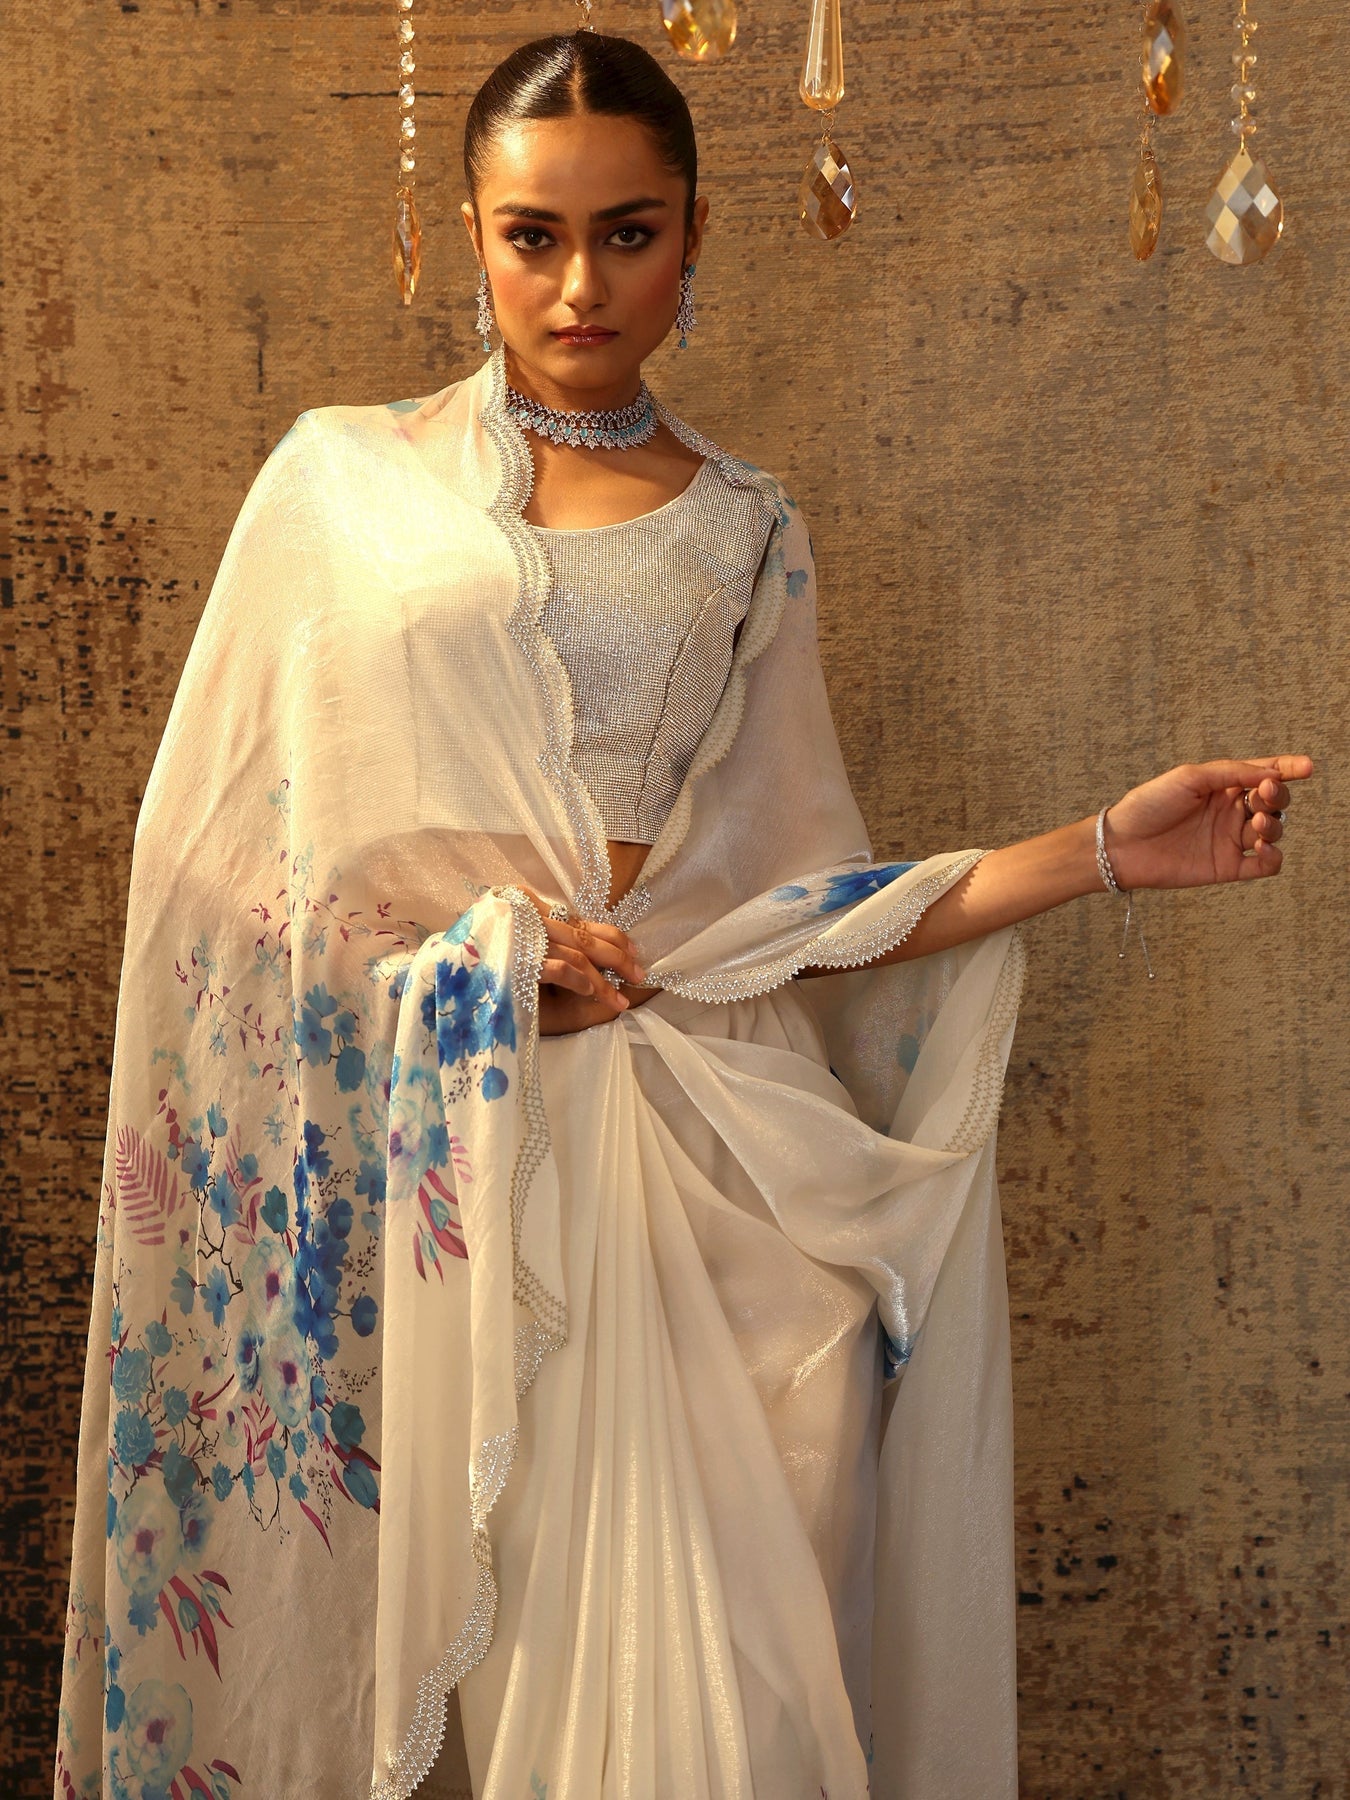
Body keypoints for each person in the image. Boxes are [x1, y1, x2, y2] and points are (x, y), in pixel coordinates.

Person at [54, 29, 1311, 1800]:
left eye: (627, 234)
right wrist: (473, 972)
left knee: (761, 1686)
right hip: (486, 1159)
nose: (578, 285)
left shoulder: (741, 527)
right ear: (474, 233)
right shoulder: (341, 489)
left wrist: (1103, 849)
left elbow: (792, 902)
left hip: (732, 1166)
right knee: (542, 1687)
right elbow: (228, 875)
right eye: (532, 235)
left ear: (695, 234)